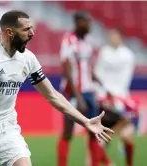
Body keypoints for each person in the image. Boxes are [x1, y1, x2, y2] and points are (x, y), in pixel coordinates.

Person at [0, 10, 113, 166]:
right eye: (26, 29)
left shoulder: (27, 58)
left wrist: (85, 122)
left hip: (7, 129)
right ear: (9, 32)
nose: (32, 33)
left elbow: (52, 95)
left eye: (32, 28)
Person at [57, 11, 112, 166]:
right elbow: (67, 69)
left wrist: (100, 83)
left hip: (88, 92)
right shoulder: (68, 40)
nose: (89, 25)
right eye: (86, 22)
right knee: (68, 133)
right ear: (78, 22)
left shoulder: (88, 40)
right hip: (73, 93)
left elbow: (88, 67)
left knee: (94, 132)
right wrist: (77, 96)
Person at [95, 29, 137, 166]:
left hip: (121, 100)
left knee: (126, 136)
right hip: (104, 101)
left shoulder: (128, 55)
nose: (111, 38)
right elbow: (98, 73)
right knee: (98, 142)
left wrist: (116, 96)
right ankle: (105, 162)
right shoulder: (104, 53)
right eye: (110, 36)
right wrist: (103, 93)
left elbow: (126, 78)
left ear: (121, 38)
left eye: (114, 36)